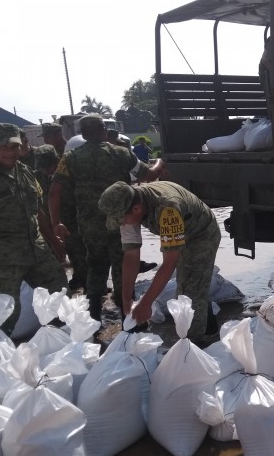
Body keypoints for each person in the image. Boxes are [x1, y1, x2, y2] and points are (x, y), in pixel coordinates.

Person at [49, 114, 163, 323]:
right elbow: (148, 175)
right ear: (103, 131)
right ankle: (126, 316)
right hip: (122, 219)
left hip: (88, 223)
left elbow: (55, 190)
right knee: (123, 263)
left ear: (82, 134)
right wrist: (159, 163)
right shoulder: (120, 153)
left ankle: (93, 314)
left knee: (95, 263)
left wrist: (56, 222)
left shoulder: (70, 158)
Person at [0, 123, 67, 335]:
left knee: (59, 294)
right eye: (3, 147)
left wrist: (54, 242)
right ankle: (2, 358)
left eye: (14, 147)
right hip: (4, 257)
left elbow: (38, 212)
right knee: (5, 311)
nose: (10, 152)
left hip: (37, 249)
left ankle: (61, 341)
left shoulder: (24, 171)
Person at [98, 180, 221, 344]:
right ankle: (210, 329)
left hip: (200, 234)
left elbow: (169, 263)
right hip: (181, 231)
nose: (122, 223)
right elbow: (131, 256)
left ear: (136, 209)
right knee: (189, 287)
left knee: (189, 292)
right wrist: (126, 297)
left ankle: (194, 346)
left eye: (122, 219)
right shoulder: (131, 205)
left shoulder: (168, 209)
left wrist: (146, 304)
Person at [42, 120, 87, 293]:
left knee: (79, 246)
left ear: (56, 135)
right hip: (65, 207)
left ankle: (88, 281)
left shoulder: (69, 152)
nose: (45, 140)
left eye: (47, 136)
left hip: (72, 206)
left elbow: (56, 189)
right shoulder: (58, 152)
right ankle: (80, 277)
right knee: (74, 247)